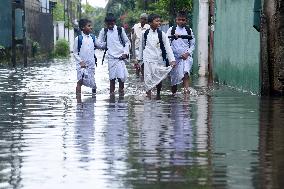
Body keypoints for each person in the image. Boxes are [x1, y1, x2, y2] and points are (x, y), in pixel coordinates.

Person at [138, 13, 176, 99]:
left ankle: (158, 94)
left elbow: (167, 47)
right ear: (150, 23)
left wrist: (172, 60)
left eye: (159, 21)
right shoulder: (144, 33)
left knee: (159, 78)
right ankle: (148, 95)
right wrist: (139, 60)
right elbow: (141, 47)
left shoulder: (162, 34)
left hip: (159, 59)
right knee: (147, 78)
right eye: (157, 21)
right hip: (147, 60)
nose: (159, 23)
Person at [98, 13, 130, 95]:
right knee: (112, 79)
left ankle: (121, 95)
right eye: (108, 24)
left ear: (114, 23)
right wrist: (105, 44)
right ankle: (111, 96)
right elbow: (99, 44)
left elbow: (127, 42)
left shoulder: (120, 30)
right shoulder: (103, 31)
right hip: (111, 58)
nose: (110, 26)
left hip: (120, 58)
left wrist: (125, 53)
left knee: (121, 78)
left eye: (111, 24)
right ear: (106, 23)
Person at [167, 11, 195, 95]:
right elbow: (167, 44)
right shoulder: (171, 30)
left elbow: (193, 45)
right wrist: (171, 58)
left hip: (186, 57)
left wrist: (187, 53)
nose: (181, 21)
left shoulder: (189, 30)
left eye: (183, 20)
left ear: (186, 21)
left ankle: (186, 92)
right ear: (176, 20)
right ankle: (173, 95)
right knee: (174, 80)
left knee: (186, 73)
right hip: (175, 58)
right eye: (179, 20)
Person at [73, 19, 105, 95]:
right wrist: (81, 61)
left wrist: (108, 42)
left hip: (91, 64)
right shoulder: (78, 39)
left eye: (91, 26)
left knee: (93, 84)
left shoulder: (93, 38)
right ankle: (78, 101)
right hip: (81, 65)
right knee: (80, 81)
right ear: (83, 27)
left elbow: (100, 46)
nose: (91, 27)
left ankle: (93, 98)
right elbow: (75, 53)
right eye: (89, 26)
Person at [132, 13, 150, 78]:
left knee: (143, 65)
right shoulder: (135, 26)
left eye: (145, 19)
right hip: (137, 48)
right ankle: (137, 78)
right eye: (142, 19)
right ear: (140, 19)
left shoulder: (148, 27)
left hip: (145, 49)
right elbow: (133, 39)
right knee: (137, 64)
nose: (143, 20)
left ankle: (143, 79)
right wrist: (133, 53)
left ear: (146, 20)